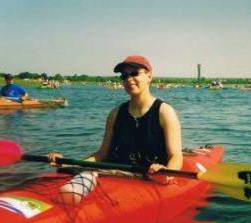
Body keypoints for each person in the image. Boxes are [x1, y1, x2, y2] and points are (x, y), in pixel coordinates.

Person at [49, 55, 183, 184]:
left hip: (151, 176)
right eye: (124, 76)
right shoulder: (115, 114)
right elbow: (102, 154)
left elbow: (175, 156)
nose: (129, 79)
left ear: (149, 76)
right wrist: (70, 163)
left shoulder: (165, 112)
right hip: (117, 175)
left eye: (135, 73)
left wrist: (167, 173)